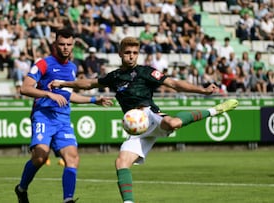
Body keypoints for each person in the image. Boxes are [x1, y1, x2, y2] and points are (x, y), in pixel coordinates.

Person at [49, 37, 239, 203]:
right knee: (121, 163)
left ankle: (214, 110)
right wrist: (63, 83)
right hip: (136, 128)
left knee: (173, 123)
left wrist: (202, 90)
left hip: (149, 116)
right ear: (120, 54)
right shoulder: (115, 76)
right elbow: (89, 83)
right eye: (128, 52)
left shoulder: (146, 71)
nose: (132, 56)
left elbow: (173, 84)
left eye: (135, 53)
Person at [14, 29, 113, 203]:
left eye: (69, 44)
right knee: (40, 156)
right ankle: (21, 189)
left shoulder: (72, 68)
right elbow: (25, 88)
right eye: (62, 44)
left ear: (73, 45)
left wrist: (93, 100)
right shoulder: (43, 64)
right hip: (43, 116)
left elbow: (68, 95)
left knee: (72, 158)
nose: (65, 47)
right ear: (55, 44)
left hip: (63, 120)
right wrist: (48, 94)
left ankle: (68, 200)